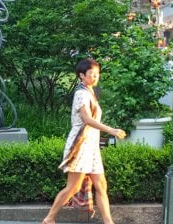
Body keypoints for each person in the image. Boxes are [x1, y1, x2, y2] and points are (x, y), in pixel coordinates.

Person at [41, 58, 126, 224]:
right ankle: (50, 218)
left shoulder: (89, 92)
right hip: (80, 145)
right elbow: (87, 119)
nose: (95, 77)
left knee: (101, 185)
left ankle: (108, 222)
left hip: (91, 147)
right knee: (72, 187)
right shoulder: (81, 93)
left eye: (97, 74)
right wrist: (111, 130)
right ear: (82, 75)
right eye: (91, 74)